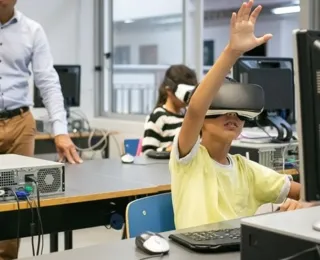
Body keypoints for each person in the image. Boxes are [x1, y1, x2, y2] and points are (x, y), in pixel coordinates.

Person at [169, 0, 308, 230]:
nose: (231, 116)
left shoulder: (246, 169)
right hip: (196, 252)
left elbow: (305, 193)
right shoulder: (189, 161)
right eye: (222, 110)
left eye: (238, 112)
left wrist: (302, 205)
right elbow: (195, 110)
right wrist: (232, 52)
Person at [0, 1, 83, 259]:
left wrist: (60, 129)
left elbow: (47, 81)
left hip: (20, 124)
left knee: (16, 204)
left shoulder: (32, 31)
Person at [142, 64, 197, 154]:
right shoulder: (158, 117)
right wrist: (171, 150)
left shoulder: (188, 116)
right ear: (169, 90)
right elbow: (147, 152)